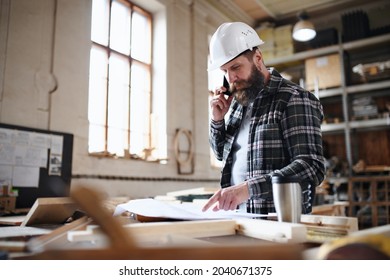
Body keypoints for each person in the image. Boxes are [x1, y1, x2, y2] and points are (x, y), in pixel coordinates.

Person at [202, 22, 325, 215]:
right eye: (225, 71)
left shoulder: (294, 98)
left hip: (279, 222)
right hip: (239, 218)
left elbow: (311, 166)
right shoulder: (236, 104)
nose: (231, 78)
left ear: (258, 58)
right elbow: (221, 154)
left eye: (236, 67)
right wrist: (217, 121)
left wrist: (248, 188)